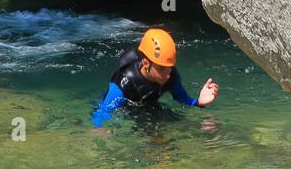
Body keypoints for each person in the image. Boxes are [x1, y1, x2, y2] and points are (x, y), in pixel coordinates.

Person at [91, 28, 219, 127]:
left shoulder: (171, 74)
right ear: (146, 63)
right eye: (161, 68)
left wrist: (199, 102)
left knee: (186, 123)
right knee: (150, 127)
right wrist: (99, 129)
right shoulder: (125, 82)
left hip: (151, 106)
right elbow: (102, 112)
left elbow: (183, 99)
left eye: (170, 67)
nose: (167, 73)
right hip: (128, 110)